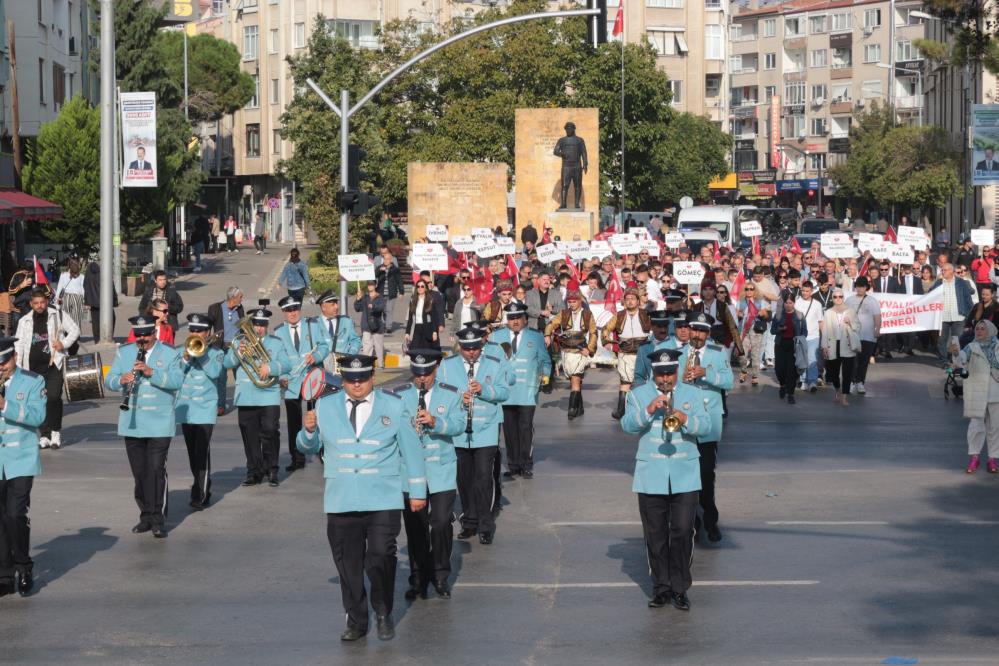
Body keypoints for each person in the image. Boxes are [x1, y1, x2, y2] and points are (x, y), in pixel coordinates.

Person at [296, 354, 427, 642]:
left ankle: (383, 612)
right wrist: (307, 431)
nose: (357, 385)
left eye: (363, 379)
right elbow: (309, 447)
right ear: (342, 380)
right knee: (348, 564)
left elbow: (411, 449)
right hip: (341, 499)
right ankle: (356, 619)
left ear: (372, 378)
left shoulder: (393, 405)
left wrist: (417, 491)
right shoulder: (325, 405)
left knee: (381, 556)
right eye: (351, 380)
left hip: (383, 498)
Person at [621, 348, 710, 611]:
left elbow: (707, 428)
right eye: (660, 375)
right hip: (651, 475)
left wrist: (685, 418)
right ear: (654, 374)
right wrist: (648, 411)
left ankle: (680, 588)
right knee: (655, 534)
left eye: (670, 374)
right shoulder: (638, 395)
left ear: (677, 371)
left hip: (685, 472)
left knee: (683, 531)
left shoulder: (693, 394)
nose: (665, 380)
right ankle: (661, 588)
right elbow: (626, 426)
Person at [393, 349, 466, 600]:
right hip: (410, 471)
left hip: (441, 470)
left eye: (426, 373)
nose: (421, 379)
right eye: (417, 374)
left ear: (436, 370)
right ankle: (418, 577)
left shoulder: (450, 393)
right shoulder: (399, 396)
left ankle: (440, 574)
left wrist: (436, 422)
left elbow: (459, 425)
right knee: (416, 527)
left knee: (441, 523)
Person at [106, 316, 185, 538]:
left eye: (146, 335)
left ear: (154, 333)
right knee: (140, 473)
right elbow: (109, 380)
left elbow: (178, 381)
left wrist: (152, 372)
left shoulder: (170, 353)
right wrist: (120, 380)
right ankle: (145, 515)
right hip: (133, 424)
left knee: (156, 470)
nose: (142, 340)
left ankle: (158, 519)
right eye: (139, 335)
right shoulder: (125, 352)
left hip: (159, 423)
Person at [437, 326, 511, 545]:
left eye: (475, 348)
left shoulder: (495, 363)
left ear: (482, 345)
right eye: (466, 348)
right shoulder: (448, 365)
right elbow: (441, 392)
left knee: (482, 477)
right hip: (459, 429)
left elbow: (505, 391)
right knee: (464, 477)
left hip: (486, 428)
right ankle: (469, 521)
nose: (471, 353)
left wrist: (484, 390)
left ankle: (485, 524)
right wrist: (460, 398)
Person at [678, 312, 732, 543]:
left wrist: (706, 373)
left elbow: (729, 381)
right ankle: (693, 523)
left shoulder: (718, 353)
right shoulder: (679, 354)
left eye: (702, 331)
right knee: (686, 476)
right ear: (689, 331)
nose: (698, 335)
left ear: (708, 333)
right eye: (694, 330)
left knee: (706, 475)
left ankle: (711, 520)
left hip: (709, 421)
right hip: (685, 421)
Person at [223, 307, 292, 487]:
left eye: (262, 324)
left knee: (270, 431)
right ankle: (254, 471)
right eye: (256, 324)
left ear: (267, 325)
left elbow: (286, 364)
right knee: (250, 436)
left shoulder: (276, 343)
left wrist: (270, 368)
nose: (259, 328)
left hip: (268, 395)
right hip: (246, 396)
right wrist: (238, 353)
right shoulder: (239, 342)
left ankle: (272, 469)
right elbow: (226, 363)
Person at [0, 336, 47, 596]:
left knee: (15, 514)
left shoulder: (32, 381)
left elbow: (38, 416)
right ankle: (5, 574)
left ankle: (23, 565)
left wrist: (5, 405)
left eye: (4, 362)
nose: (0, 367)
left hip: (21, 460)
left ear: (14, 357)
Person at [14, 288, 80, 450]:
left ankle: (55, 431)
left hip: (54, 365)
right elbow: (19, 345)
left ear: (46, 302)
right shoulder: (24, 321)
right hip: (32, 369)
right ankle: (44, 434)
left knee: (53, 398)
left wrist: (63, 344)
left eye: (42, 302)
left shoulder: (57, 315)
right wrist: (18, 368)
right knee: (37, 402)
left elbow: (75, 330)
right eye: (36, 303)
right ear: (31, 304)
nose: (39, 306)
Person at [491, 302, 551, 479]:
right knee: (509, 430)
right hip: (505, 391)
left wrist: (545, 375)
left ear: (525, 319)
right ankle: (513, 464)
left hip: (527, 390)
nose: (515, 321)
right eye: (511, 318)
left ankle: (526, 464)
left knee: (525, 428)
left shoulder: (536, 336)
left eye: (518, 318)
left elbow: (545, 360)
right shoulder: (496, 336)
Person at [273, 295, 330, 473]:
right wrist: (281, 376)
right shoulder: (278, 331)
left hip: (312, 378)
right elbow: (277, 356)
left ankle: (322, 451)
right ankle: (297, 457)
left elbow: (324, 347)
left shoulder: (312, 325)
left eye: (295, 309)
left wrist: (317, 356)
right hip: (291, 382)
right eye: (288, 310)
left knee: (317, 418)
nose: (292, 313)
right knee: (294, 422)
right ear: (283, 312)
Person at [175, 314, 224, 510]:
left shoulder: (216, 352)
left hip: (205, 408)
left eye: (200, 331)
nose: (195, 334)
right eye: (193, 330)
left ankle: (201, 493)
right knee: (191, 451)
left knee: (201, 450)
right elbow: (176, 374)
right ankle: (200, 483)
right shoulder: (181, 350)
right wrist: (186, 358)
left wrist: (201, 354)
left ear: (208, 332)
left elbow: (214, 372)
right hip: (186, 408)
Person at [953, 320, 999, 474]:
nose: (979, 331)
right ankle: (974, 458)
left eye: (982, 329)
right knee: (975, 427)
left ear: (990, 330)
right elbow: (961, 359)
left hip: (995, 392)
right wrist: (955, 353)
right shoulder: (972, 346)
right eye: (977, 329)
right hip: (977, 392)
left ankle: (992, 459)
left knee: (995, 428)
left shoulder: (998, 346)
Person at [603, 288, 652, 420]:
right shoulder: (618, 316)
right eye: (627, 299)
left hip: (643, 352)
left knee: (643, 380)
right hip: (624, 352)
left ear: (638, 300)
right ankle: (621, 410)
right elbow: (606, 329)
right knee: (625, 380)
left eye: (633, 299)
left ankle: (643, 407)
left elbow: (655, 330)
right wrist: (607, 342)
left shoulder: (646, 314)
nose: (630, 301)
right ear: (624, 301)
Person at [208, 287, 245, 415]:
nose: (242, 299)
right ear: (233, 298)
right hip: (221, 347)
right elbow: (208, 326)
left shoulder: (239, 308)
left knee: (239, 376)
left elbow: (243, 326)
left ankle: (242, 401)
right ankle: (220, 405)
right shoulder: (215, 308)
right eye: (240, 296)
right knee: (221, 377)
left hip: (237, 346)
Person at [822, 288, 860, 406]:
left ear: (843, 298)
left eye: (840, 296)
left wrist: (850, 323)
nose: (838, 299)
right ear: (832, 299)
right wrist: (824, 346)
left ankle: (844, 396)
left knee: (847, 372)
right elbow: (825, 330)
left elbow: (858, 327)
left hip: (847, 344)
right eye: (835, 297)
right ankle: (838, 390)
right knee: (833, 371)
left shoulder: (851, 311)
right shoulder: (828, 312)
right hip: (833, 344)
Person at [931, 263, 975, 362]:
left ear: (951, 271)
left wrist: (970, 315)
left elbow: (968, 299)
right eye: (942, 270)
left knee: (957, 340)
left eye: (945, 270)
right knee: (942, 340)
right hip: (943, 317)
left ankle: (955, 360)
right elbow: (931, 295)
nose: (942, 272)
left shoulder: (961, 282)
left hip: (958, 316)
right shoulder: (938, 283)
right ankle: (943, 360)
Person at [845, 276, 881, 395]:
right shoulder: (849, 300)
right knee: (852, 361)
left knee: (863, 361)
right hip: (852, 335)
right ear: (855, 287)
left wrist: (877, 329)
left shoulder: (872, 301)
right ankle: (851, 382)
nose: (860, 289)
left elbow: (877, 316)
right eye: (858, 286)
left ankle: (860, 382)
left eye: (863, 286)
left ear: (866, 288)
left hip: (868, 335)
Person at [771, 297, 807, 404]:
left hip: (794, 344)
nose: (788, 305)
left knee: (791, 370)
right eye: (786, 303)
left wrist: (799, 339)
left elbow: (805, 332)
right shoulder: (778, 315)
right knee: (779, 369)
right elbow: (772, 331)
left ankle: (791, 394)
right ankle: (782, 385)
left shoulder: (800, 315)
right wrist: (779, 329)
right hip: (780, 344)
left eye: (790, 303)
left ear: (794, 303)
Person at [315, 290, 361, 373]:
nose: (336, 307)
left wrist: (350, 355)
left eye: (337, 303)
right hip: (321, 370)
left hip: (343, 368)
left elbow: (356, 340)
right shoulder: (314, 323)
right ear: (323, 307)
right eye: (333, 304)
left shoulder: (346, 321)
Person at [737, 283, 769, 385]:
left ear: (755, 291)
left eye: (751, 289)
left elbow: (766, 314)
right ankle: (743, 371)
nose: (749, 291)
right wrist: (739, 314)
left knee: (755, 354)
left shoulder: (760, 302)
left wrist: (761, 313)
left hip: (756, 330)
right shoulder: (740, 302)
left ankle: (755, 375)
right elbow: (736, 313)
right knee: (742, 354)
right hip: (744, 330)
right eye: (747, 289)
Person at [794, 281, 823, 392]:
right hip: (800, 336)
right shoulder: (797, 302)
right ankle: (803, 380)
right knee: (801, 358)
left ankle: (812, 381)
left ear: (811, 291)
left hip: (814, 336)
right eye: (803, 291)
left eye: (807, 291)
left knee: (812, 358)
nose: (805, 293)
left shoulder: (817, 304)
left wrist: (823, 336)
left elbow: (820, 321)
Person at [83, 260, 117, 341]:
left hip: (93, 302)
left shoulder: (89, 272)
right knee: (112, 318)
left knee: (95, 322)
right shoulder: (104, 273)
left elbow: (85, 285)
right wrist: (114, 301)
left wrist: (88, 300)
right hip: (106, 302)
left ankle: (97, 339)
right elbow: (111, 287)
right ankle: (108, 337)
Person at [355, 280, 386, 367]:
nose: (370, 286)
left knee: (379, 347)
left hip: (377, 326)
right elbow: (357, 308)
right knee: (367, 348)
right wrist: (358, 299)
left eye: (372, 284)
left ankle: (380, 365)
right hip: (366, 326)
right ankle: (367, 365)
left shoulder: (380, 297)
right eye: (368, 284)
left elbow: (381, 308)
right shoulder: (364, 297)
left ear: (375, 285)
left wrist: (374, 307)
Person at [405, 279, 443, 351]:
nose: (420, 288)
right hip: (416, 329)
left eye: (422, 286)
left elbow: (434, 318)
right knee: (415, 351)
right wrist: (407, 332)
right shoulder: (413, 300)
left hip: (427, 328)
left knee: (426, 352)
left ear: (425, 288)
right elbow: (410, 319)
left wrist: (435, 332)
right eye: (418, 286)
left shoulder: (430, 300)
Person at [374, 245, 403, 333]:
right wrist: (379, 270)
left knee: (389, 309)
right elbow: (374, 275)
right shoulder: (380, 267)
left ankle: (388, 327)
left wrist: (401, 292)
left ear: (391, 260)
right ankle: (384, 323)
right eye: (384, 259)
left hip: (392, 293)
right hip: (381, 292)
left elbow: (399, 280)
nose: (386, 261)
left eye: (387, 259)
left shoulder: (395, 269)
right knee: (383, 309)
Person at [54, 258, 86, 334]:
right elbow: (83, 290)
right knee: (76, 318)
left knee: (65, 317)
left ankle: (66, 334)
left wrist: (57, 298)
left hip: (66, 298)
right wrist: (84, 301)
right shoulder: (81, 276)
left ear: (69, 266)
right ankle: (76, 335)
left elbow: (59, 287)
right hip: (77, 298)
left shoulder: (63, 275)